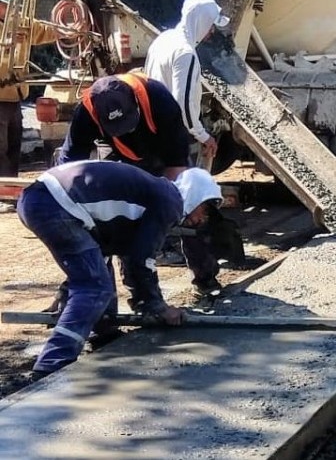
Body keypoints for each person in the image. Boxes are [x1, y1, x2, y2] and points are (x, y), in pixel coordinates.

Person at [17, 161, 223, 376]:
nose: (202, 219)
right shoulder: (170, 202)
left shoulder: (153, 195)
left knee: (98, 266)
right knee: (94, 286)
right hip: (55, 204)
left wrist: (143, 302)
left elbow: (125, 253)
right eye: (205, 209)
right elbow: (141, 260)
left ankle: (103, 329)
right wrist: (157, 306)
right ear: (195, 195)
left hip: (41, 199)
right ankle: (52, 364)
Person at [56, 73, 225, 296]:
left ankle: (206, 278)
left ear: (135, 101)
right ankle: (127, 294)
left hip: (161, 153)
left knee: (192, 210)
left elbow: (177, 168)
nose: (127, 130)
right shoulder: (87, 111)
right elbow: (70, 165)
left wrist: (173, 209)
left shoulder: (158, 99)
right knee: (116, 221)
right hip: (119, 155)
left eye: (128, 123)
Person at [144, 0, 230, 165]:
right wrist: (203, 136)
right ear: (202, 21)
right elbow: (182, 103)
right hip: (173, 135)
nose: (212, 31)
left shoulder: (163, 39)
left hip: (154, 129)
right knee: (179, 187)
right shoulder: (186, 53)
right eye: (211, 25)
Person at [0, 0, 60, 180]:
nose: (12, 11)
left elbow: (44, 30)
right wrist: (8, 41)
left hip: (14, 98)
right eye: (7, 6)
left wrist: (68, 31)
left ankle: (10, 189)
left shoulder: (21, 25)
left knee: (13, 147)